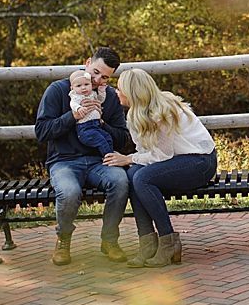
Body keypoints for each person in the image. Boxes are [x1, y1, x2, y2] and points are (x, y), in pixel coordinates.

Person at [101, 68, 217, 268]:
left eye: (120, 89)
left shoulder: (161, 112)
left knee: (142, 177)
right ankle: (147, 243)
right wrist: (131, 161)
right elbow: (145, 150)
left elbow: (162, 155)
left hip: (200, 161)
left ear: (133, 92)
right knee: (133, 174)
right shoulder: (135, 113)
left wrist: (128, 158)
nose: (117, 92)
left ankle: (168, 241)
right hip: (177, 160)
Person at [35, 47, 130, 266]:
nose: (97, 80)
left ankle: (109, 241)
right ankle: (63, 241)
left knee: (120, 181)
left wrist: (102, 122)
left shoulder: (110, 98)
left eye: (105, 76)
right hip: (64, 161)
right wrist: (73, 116)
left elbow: (123, 138)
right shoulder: (58, 90)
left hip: (99, 161)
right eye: (95, 72)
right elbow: (41, 132)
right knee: (69, 192)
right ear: (87, 63)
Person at [69, 69, 113, 155]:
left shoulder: (92, 94)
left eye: (86, 84)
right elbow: (73, 104)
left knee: (107, 138)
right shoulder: (76, 96)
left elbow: (100, 100)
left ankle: (109, 155)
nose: (83, 87)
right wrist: (78, 108)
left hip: (96, 125)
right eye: (79, 86)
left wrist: (101, 91)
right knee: (101, 141)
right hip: (85, 128)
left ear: (91, 85)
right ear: (72, 88)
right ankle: (108, 157)